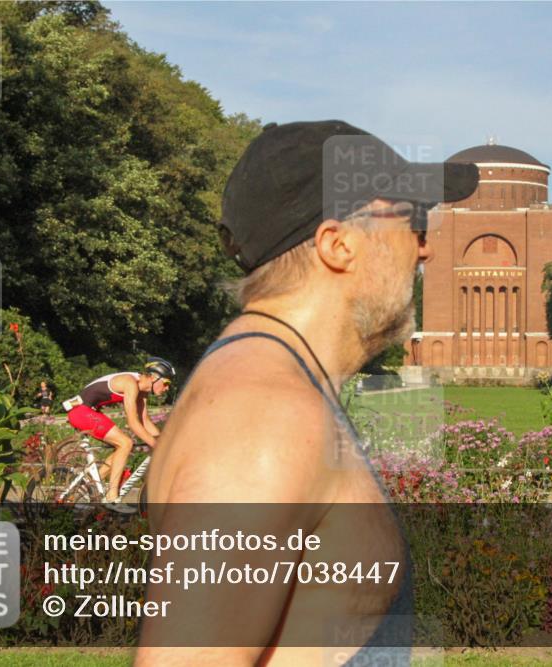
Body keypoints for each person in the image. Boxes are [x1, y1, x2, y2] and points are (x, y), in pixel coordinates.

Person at [138, 121, 478, 665]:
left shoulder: (271, 386)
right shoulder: (262, 416)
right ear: (338, 245)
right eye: (411, 220)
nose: (426, 248)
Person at [64, 357, 175, 510]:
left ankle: (88, 486)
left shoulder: (142, 391)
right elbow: (133, 423)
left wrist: (163, 440)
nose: (167, 388)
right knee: (125, 443)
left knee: (122, 446)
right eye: (167, 382)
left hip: (88, 411)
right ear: (154, 378)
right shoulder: (131, 383)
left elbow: (144, 420)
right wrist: (155, 444)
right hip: (80, 411)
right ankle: (112, 497)